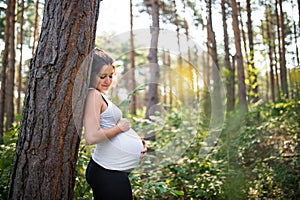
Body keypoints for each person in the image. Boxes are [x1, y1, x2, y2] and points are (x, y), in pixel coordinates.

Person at [83, 48, 147, 200]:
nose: (108, 81)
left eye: (111, 76)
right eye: (102, 76)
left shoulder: (101, 96)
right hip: (107, 172)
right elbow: (91, 137)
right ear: (91, 76)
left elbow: (108, 127)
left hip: (112, 171)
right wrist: (120, 128)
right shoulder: (93, 95)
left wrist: (137, 143)